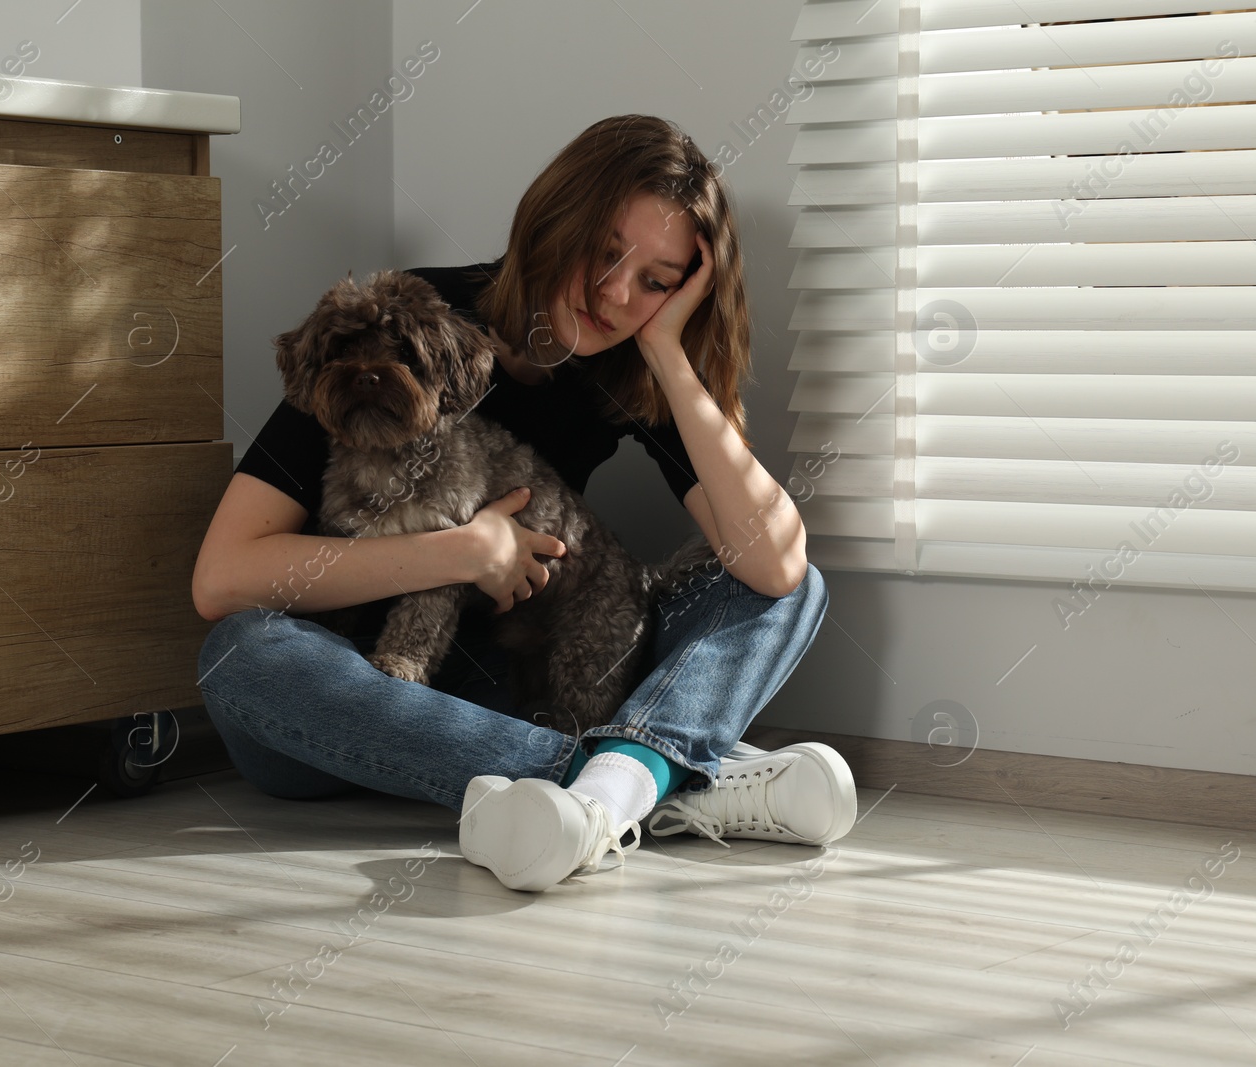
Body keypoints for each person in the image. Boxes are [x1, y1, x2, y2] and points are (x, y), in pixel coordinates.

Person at [190, 114, 856, 891]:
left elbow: (772, 563)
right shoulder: (397, 327)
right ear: (556, 214)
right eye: (605, 253)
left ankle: (608, 792)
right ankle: (641, 779)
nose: (614, 294)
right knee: (243, 653)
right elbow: (223, 576)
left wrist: (669, 355)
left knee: (792, 580)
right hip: (352, 698)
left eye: (656, 280)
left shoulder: (629, 368)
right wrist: (466, 551)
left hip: (523, 682)